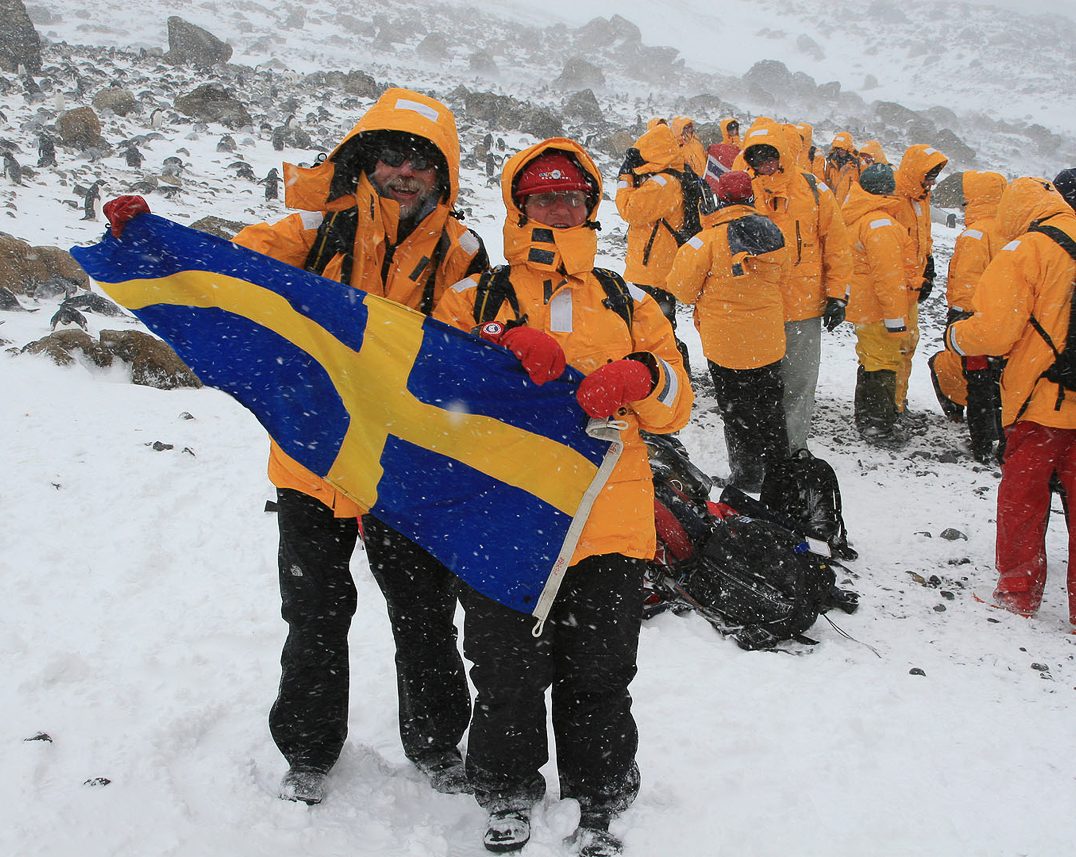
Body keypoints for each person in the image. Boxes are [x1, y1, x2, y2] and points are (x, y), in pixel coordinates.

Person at [434, 138, 692, 856]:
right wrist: (501, 346)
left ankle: (602, 791)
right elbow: (434, 397)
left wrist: (642, 377)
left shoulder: (627, 296)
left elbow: (678, 402)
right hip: (504, 518)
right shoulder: (473, 297)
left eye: (572, 195)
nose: (559, 205)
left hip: (608, 519)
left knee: (601, 671)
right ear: (521, 205)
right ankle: (507, 787)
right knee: (506, 669)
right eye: (544, 195)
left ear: (590, 204)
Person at [231, 88, 490, 803]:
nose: (405, 172)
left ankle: (437, 742)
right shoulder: (317, 223)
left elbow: (467, 339)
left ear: (444, 176)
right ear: (366, 159)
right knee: (315, 608)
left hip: (403, 463)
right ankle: (309, 750)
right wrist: (152, 247)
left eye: (422, 163)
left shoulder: (460, 247)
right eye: (392, 157)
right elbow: (240, 270)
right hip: (312, 456)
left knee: (425, 610)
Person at [946, 177, 1076, 633]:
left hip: (1045, 404)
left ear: (1015, 213)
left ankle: (1018, 593)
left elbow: (996, 332)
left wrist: (957, 336)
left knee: (1024, 500)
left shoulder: (1024, 251)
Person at [665, 169, 792, 490]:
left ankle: (747, 475)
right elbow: (785, 277)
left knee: (738, 413)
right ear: (751, 197)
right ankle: (779, 474)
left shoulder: (705, 241)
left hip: (726, 345)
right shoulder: (774, 233)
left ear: (720, 199)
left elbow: (680, 290)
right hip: (768, 339)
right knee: (771, 409)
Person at [739, 120, 852, 452]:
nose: (765, 164)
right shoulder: (744, 192)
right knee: (759, 385)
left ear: (783, 154)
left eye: (769, 155)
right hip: (759, 306)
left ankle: (791, 450)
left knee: (799, 384)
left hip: (804, 308)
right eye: (756, 158)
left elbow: (836, 245)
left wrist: (837, 295)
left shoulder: (816, 191)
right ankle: (762, 452)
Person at [928, 170, 1008, 462]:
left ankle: (982, 444)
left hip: (977, 319)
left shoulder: (976, 234)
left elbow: (967, 279)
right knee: (1002, 383)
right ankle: (1003, 439)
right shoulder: (1013, 230)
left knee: (979, 383)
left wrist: (959, 315)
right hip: (1006, 318)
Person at [841, 163, 916, 440]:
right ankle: (877, 424)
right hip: (878, 307)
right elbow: (888, 276)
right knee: (882, 363)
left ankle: (869, 419)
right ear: (888, 190)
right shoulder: (880, 224)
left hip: (865, 304)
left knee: (871, 360)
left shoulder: (863, 217)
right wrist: (897, 319)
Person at [616, 122, 700, 368]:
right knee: (658, 326)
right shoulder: (666, 178)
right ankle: (669, 372)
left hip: (652, 271)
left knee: (657, 330)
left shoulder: (663, 183)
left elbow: (630, 210)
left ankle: (672, 375)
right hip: (656, 268)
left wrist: (625, 178)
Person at [892, 143, 948, 416]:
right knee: (890, 349)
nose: (932, 181)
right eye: (928, 175)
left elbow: (922, 240)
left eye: (934, 176)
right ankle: (888, 407)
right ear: (916, 172)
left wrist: (928, 267)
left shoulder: (920, 200)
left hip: (912, 288)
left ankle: (898, 404)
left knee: (907, 345)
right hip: (894, 289)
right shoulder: (894, 199)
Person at [823, 131, 862, 204]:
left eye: (842, 149)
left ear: (848, 148)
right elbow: (827, 180)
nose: (840, 151)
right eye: (838, 148)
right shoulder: (831, 161)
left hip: (850, 204)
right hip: (833, 202)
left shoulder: (858, 162)